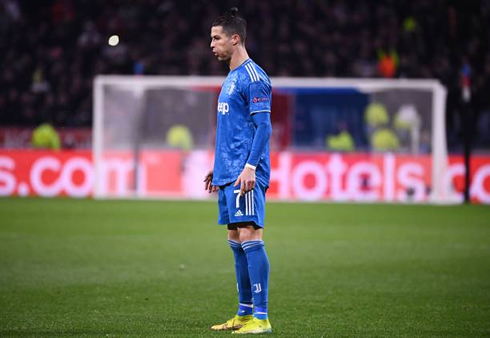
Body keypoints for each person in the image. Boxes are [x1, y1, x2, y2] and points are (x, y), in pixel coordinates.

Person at [203, 7, 273, 335]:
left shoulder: (254, 77)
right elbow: (233, 130)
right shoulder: (230, 78)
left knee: (249, 234)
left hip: (246, 174)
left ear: (235, 38)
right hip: (228, 173)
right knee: (235, 237)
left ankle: (261, 318)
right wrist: (217, 169)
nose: (211, 44)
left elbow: (264, 128)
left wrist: (249, 167)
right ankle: (244, 314)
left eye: (217, 38)